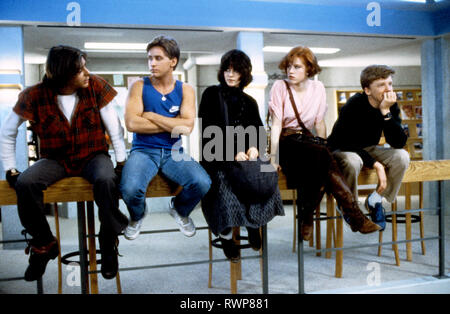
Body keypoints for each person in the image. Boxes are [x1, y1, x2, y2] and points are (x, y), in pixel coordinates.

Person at [0, 45, 128, 281]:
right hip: (55, 159)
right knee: (26, 182)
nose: (87, 73)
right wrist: (11, 168)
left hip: (93, 156)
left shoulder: (96, 86)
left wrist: (121, 162)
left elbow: (115, 129)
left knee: (106, 179)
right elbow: (7, 132)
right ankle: (44, 243)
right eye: (81, 70)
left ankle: (108, 243)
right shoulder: (33, 95)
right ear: (64, 74)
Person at [269, 46, 380, 241]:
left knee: (322, 158)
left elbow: (319, 123)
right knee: (321, 156)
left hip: (309, 143)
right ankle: (354, 215)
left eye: (296, 67)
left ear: (309, 69)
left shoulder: (318, 88)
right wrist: (272, 157)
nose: (290, 71)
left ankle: (307, 217)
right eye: (288, 67)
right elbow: (276, 124)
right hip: (287, 143)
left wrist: (325, 147)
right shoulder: (280, 86)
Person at [120, 35, 211, 240]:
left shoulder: (186, 89)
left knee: (202, 183)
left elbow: (187, 127)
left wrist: (150, 116)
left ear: (173, 61)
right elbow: (132, 124)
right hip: (143, 151)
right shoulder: (139, 86)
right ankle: (137, 215)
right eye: (150, 58)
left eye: (158, 58)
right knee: (130, 189)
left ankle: (179, 210)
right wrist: (172, 122)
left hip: (174, 152)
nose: (152, 63)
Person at [199, 49, 284, 260]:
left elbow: (257, 131)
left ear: (243, 74)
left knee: (265, 174)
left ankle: (254, 224)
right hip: (216, 155)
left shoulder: (250, 101)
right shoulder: (211, 94)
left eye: (235, 71)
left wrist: (254, 148)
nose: (230, 75)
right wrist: (231, 153)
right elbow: (206, 132)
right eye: (227, 70)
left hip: (246, 158)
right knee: (225, 183)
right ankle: (228, 236)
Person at [327, 65, 410, 231]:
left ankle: (376, 199)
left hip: (368, 148)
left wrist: (386, 111)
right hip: (342, 148)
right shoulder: (354, 104)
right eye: (381, 85)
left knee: (402, 156)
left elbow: (399, 142)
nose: (388, 89)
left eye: (390, 84)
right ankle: (350, 207)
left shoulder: (390, 104)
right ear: (367, 90)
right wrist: (375, 164)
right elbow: (345, 142)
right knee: (353, 160)